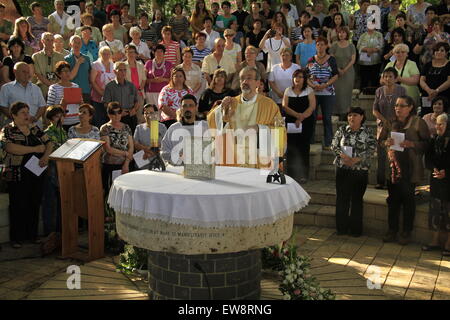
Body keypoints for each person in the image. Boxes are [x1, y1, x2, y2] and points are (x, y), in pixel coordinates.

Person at [207, 66, 283, 168]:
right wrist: (223, 112)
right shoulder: (231, 102)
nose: (245, 81)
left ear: (257, 82)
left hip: (259, 161)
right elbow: (212, 122)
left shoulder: (270, 105)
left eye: (249, 78)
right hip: (234, 160)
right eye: (242, 78)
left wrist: (260, 128)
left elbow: (280, 131)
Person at [0, 101, 52, 248]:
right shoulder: (8, 130)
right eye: (23, 112)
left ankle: (32, 235)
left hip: (36, 171)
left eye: (27, 112)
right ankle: (16, 238)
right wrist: (35, 149)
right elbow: (10, 147)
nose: (27, 115)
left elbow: (49, 143)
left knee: (34, 202)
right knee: (18, 204)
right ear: (13, 115)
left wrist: (45, 156)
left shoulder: (34, 128)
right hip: (17, 172)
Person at [380, 95, 430, 245]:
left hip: (410, 167)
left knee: (408, 201)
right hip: (393, 167)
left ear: (410, 107)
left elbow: (427, 144)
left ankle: (406, 232)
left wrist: (412, 144)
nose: (398, 108)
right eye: (396, 105)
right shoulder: (389, 122)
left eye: (402, 106)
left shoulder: (418, 122)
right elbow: (381, 140)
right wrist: (386, 142)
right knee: (393, 200)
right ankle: (392, 230)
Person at [331, 107, 376, 236]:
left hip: (359, 170)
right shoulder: (342, 130)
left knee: (356, 200)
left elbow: (372, 147)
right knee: (342, 199)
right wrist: (342, 155)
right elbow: (334, 145)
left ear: (362, 117)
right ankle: (341, 228)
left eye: (355, 115)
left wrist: (357, 159)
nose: (351, 118)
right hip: (342, 169)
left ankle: (356, 230)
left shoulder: (368, 132)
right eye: (349, 115)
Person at [373, 67, 407, 189]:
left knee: (396, 154)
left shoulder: (402, 90)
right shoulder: (379, 91)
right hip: (382, 126)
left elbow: (405, 107)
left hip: (397, 125)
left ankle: (394, 180)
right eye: (385, 76)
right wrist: (384, 120)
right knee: (381, 154)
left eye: (390, 76)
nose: (387, 78)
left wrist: (394, 121)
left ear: (395, 78)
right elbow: (374, 110)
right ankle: (380, 181)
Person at [282, 68, 316, 183]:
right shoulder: (288, 90)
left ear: (304, 79)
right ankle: (291, 174)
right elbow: (285, 106)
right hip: (291, 122)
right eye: (296, 77)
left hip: (306, 122)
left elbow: (312, 107)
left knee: (304, 148)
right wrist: (297, 116)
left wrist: (302, 117)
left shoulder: (309, 90)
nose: (298, 79)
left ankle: (303, 175)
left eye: (300, 77)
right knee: (291, 148)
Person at [423, 113, 450, 256]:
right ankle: (434, 241)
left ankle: (448, 244)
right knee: (435, 211)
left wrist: (446, 172)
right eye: (437, 124)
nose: (438, 126)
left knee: (448, 213)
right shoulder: (434, 140)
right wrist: (433, 168)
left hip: (448, 182)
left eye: (441, 124)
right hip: (436, 181)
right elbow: (427, 158)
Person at [306, 36, 339, 148]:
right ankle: (310, 140)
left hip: (328, 93)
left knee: (327, 118)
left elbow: (335, 75)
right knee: (312, 117)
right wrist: (312, 85)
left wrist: (326, 85)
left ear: (326, 46)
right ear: (316, 46)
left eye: (322, 44)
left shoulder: (331, 59)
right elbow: (306, 76)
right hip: (313, 93)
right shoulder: (311, 60)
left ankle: (328, 142)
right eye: (318, 44)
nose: (320, 46)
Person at [161, 94, 209, 166]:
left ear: (196, 108)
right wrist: (177, 157)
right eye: (185, 106)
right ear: (181, 108)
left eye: (191, 106)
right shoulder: (174, 128)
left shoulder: (205, 126)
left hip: (200, 170)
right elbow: (164, 151)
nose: (187, 108)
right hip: (178, 170)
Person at [42, 105, 67, 238]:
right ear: (51, 119)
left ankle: (60, 229)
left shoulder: (64, 132)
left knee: (61, 201)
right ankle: (49, 232)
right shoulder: (47, 132)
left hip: (63, 169)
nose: (60, 119)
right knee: (50, 202)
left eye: (62, 116)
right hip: (51, 169)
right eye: (57, 116)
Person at [100, 101, 134, 192]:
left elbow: (131, 147)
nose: (117, 115)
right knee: (110, 192)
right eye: (113, 113)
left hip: (125, 164)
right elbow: (108, 149)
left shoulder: (126, 127)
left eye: (119, 112)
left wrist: (126, 164)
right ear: (108, 114)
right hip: (110, 165)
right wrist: (125, 153)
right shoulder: (105, 128)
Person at [103, 61, 140, 132]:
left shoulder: (131, 85)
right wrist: (118, 113)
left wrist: (134, 110)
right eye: (120, 70)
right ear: (115, 71)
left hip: (131, 117)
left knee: (131, 138)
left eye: (124, 70)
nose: (123, 72)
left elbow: (136, 101)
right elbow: (106, 104)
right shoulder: (110, 86)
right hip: (116, 118)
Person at [329, 26, 356, 120]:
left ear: (347, 34)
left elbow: (353, 60)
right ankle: (336, 112)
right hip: (336, 73)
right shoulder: (334, 45)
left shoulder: (351, 45)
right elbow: (331, 59)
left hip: (348, 73)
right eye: (340, 32)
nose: (341, 34)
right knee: (337, 92)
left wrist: (344, 70)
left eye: (343, 32)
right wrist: (338, 69)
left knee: (346, 93)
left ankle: (346, 113)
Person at [47, 61, 82, 130]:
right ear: (58, 74)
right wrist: (62, 105)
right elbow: (49, 108)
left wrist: (81, 103)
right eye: (64, 71)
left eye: (68, 71)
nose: (67, 73)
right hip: (61, 123)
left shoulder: (76, 86)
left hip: (76, 122)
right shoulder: (54, 88)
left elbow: (81, 106)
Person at [420, 42, 450, 112]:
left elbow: (449, 81)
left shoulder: (449, 65)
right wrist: (429, 90)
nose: (438, 52)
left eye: (442, 50)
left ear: (446, 52)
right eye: (436, 50)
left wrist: (436, 91)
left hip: (443, 96)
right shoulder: (427, 65)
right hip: (427, 95)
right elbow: (421, 80)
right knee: (426, 116)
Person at [32, 33, 63, 99]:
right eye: (47, 40)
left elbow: (62, 73)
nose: (50, 42)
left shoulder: (60, 56)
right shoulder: (36, 56)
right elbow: (38, 74)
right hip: (41, 87)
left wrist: (55, 86)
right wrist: (51, 85)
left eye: (52, 40)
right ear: (42, 41)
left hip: (57, 87)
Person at [90, 46, 115, 127]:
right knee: (99, 120)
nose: (106, 55)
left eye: (108, 54)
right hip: (98, 97)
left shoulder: (113, 65)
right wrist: (101, 92)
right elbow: (92, 81)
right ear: (100, 54)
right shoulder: (96, 65)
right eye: (104, 54)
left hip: (110, 98)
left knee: (109, 120)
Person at [65, 35, 92, 104]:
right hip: (72, 90)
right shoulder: (66, 59)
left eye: (79, 42)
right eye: (75, 42)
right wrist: (78, 63)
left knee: (86, 113)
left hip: (85, 91)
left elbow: (89, 75)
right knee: (74, 113)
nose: (77, 44)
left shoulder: (87, 58)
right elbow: (70, 77)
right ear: (70, 44)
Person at [124, 44, 146, 124]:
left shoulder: (140, 65)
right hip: (127, 94)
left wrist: (140, 88)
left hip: (139, 94)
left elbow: (144, 78)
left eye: (133, 52)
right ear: (125, 53)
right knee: (129, 116)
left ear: (136, 54)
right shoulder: (123, 65)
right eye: (129, 52)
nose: (131, 54)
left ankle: (138, 135)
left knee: (139, 117)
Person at [357, 26, 384, 91]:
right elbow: (358, 46)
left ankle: (374, 95)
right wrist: (367, 49)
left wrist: (372, 50)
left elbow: (381, 46)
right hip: (364, 62)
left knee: (375, 79)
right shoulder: (363, 35)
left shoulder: (379, 35)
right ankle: (363, 93)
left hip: (375, 61)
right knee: (364, 79)